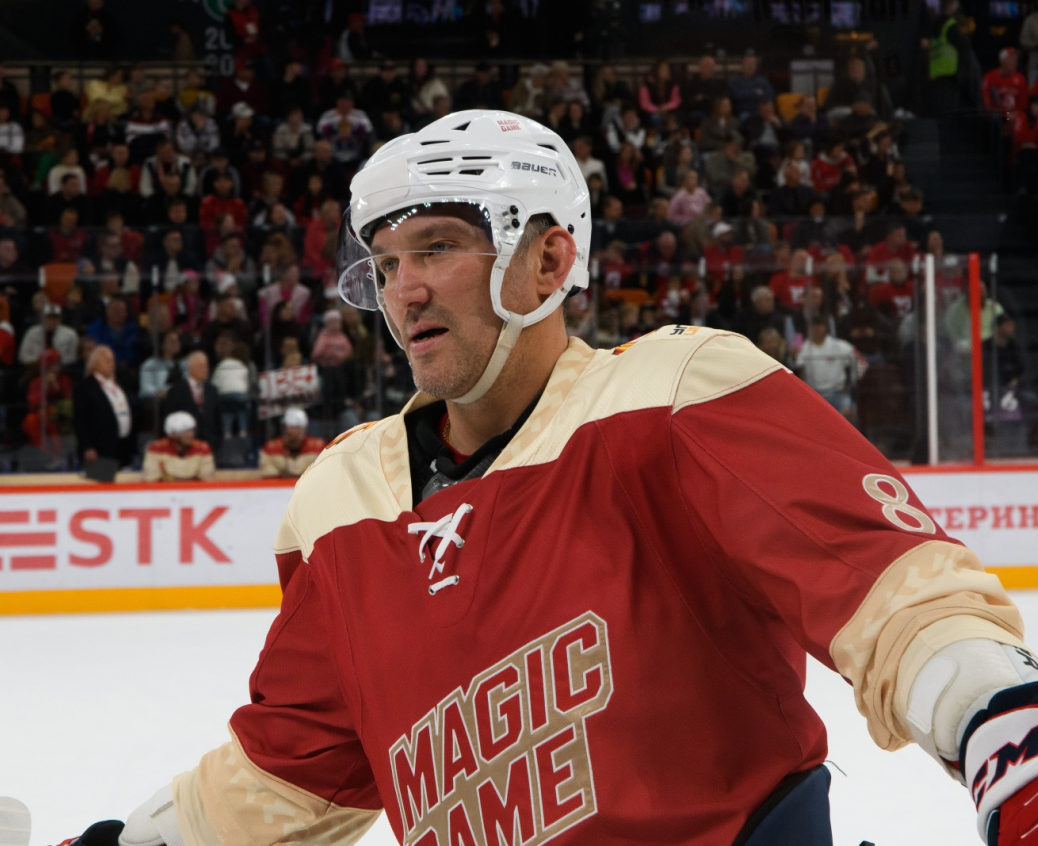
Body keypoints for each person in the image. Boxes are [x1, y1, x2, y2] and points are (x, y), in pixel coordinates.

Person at [76, 109, 1038, 846]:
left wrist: (1003, 731)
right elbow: (290, 774)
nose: (405, 289)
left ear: (548, 260)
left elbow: (890, 589)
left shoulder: (675, 394)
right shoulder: (341, 500)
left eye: (438, 246)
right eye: (388, 262)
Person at [73, 345, 135, 469]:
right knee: (101, 480)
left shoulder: (120, 383)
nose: (111, 364)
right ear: (95, 363)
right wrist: (87, 446)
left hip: (123, 447)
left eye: (112, 360)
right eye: (106, 360)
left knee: (125, 480)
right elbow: (80, 421)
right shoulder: (85, 387)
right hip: (99, 451)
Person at [794, 314, 860, 422]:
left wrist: (852, 382)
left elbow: (860, 360)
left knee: (850, 410)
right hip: (814, 396)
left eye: (819, 325)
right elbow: (795, 365)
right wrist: (794, 353)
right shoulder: (803, 348)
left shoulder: (838, 345)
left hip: (838, 393)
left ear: (825, 327)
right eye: (813, 326)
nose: (817, 329)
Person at [164, 350, 221, 456]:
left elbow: (218, 421)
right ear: (190, 368)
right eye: (201, 366)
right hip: (183, 450)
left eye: (206, 366)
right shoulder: (176, 391)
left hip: (209, 449)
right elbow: (169, 418)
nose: (205, 370)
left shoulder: (212, 390)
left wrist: (216, 445)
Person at [142, 410, 215, 482]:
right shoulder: (156, 448)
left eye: (192, 431)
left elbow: (207, 480)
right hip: (165, 490)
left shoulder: (203, 448)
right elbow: (151, 480)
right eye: (186, 431)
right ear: (173, 434)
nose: (191, 435)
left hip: (194, 490)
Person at [257, 405, 324, 478]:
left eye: (295, 428)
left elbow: (322, 473)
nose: (289, 432)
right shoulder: (271, 448)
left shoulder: (318, 447)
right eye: (287, 428)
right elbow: (268, 475)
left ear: (303, 430)